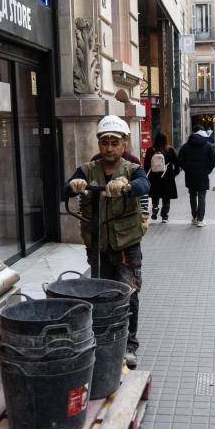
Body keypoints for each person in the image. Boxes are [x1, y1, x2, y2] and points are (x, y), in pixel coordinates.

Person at [66, 115, 150, 368]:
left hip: (126, 245)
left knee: (128, 294)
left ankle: (129, 345)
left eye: (115, 142)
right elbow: (65, 189)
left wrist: (127, 185)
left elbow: (144, 185)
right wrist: (73, 185)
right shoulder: (87, 169)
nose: (110, 147)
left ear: (123, 144)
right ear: (99, 144)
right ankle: (102, 339)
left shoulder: (132, 168)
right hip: (98, 244)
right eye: (105, 142)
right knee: (100, 294)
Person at [178, 125, 215, 227]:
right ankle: (201, 219)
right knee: (201, 196)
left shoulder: (185, 146)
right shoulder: (208, 146)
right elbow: (214, 160)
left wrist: (187, 169)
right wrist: (208, 170)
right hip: (203, 174)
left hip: (190, 175)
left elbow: (180, 160)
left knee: (192, 195)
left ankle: (194, 218)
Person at [143, 132, 179, 223]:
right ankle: (164, 216)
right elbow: (177, 163)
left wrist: (147, 176)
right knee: (166, 197)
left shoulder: (150, 150)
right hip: (167, 177)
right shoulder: (170, 150)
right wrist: (174, 173)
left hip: (154, 177)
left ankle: (155, 207)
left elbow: (146, 165)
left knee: (155, 194)